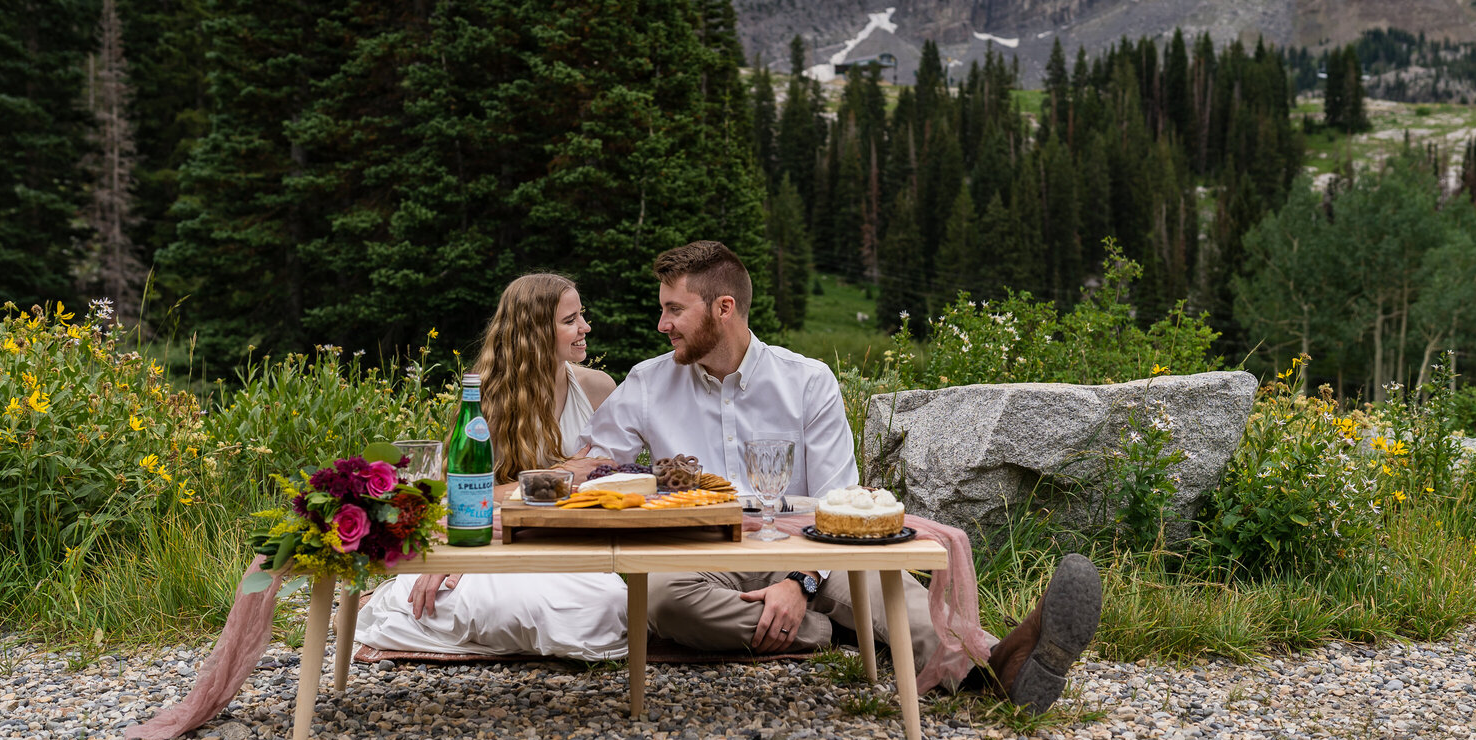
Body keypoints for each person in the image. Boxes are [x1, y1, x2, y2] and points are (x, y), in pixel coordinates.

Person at [583, 241, 1101, 710]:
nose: (662, 324)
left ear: (725, 308)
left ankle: (996, 665)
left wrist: (799, 581)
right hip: (704, 554)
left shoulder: (806, 381)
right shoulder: (649, 382)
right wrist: (578, 467)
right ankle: (824, 634)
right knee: (661, 600)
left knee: (885, 592)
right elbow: (598, 462)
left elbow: (835, 502)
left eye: (675, 310)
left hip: (808, 548)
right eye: (662, 310)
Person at [353, 273, 625, 660]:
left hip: (564, 539)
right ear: (532, 331)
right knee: (506, 608)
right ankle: (397, 603)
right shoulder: (486, 395)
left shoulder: (599, 388)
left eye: (582, 315)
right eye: (570, 321)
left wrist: (584, 478)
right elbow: (458, 492)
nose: (585, 327)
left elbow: (605, 478)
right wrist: (559, 475)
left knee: (609, 604)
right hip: (494, 536)